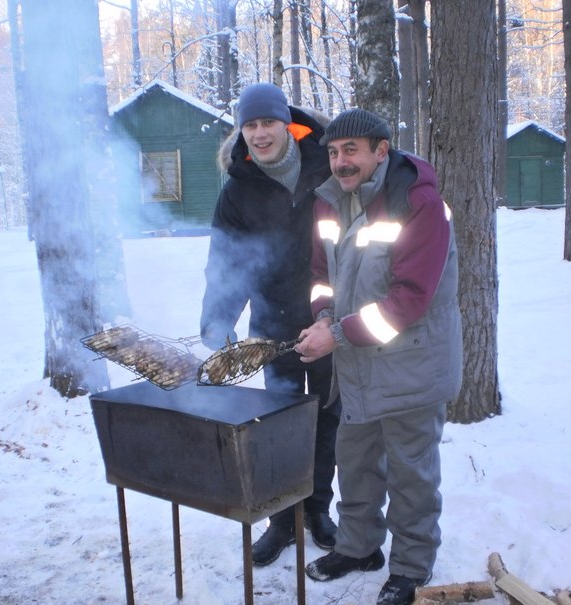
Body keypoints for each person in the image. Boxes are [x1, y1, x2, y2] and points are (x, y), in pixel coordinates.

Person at [295, 108, 462, 605]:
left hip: (412, 362)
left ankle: (410, 567)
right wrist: (324, 315)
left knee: (412, 472)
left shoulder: (418, 203)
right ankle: (358, 547)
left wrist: (336, 335)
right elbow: (321, 275)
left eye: (351, 150)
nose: (340, 162)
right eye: (333, 152)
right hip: (357, 362)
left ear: (381, 150)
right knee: (356, 461)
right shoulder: (330, 200)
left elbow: (410, 300)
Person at [199, 82, 341, 566]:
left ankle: (317, 510)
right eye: (251, 125)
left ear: (287, 124)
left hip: (328, 321)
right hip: (273, 326)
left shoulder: (326, 165)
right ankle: (281, 520)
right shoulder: (238, 188)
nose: (260, 134)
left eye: (268, 123)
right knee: (277, 424)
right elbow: (226, 262)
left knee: (326, 420)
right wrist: (218, 319)